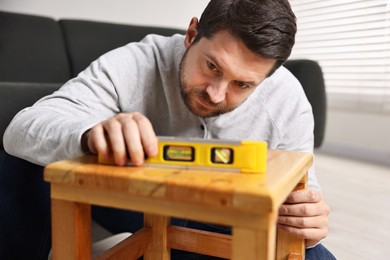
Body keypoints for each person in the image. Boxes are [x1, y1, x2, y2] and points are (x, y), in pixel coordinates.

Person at [3, 0, 335, 259]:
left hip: (226, 220)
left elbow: (303, 202)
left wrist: (308, 222)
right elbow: (19, 130)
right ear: (192, 34)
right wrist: (92, 134)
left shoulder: (288, 101)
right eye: (211, 66)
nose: (216, 94)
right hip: (135, 205)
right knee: (21, 165)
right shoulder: (135, 62)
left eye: (243, 84)